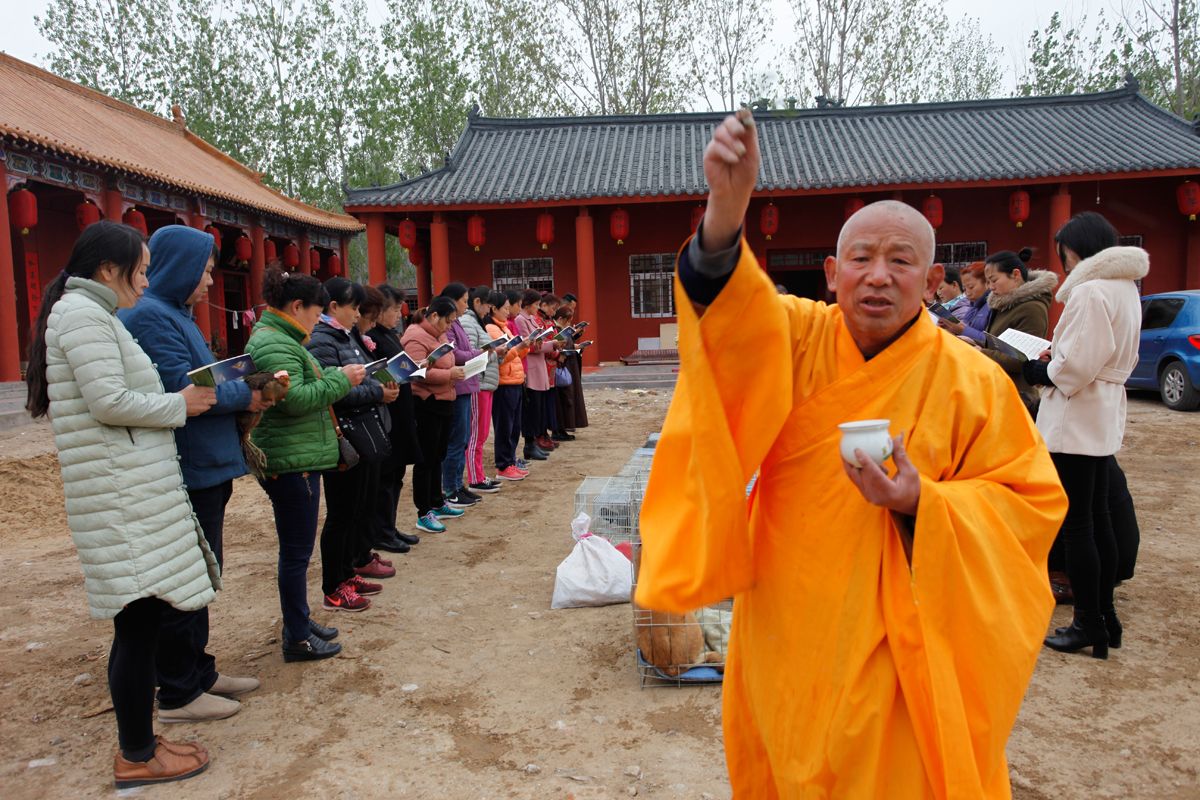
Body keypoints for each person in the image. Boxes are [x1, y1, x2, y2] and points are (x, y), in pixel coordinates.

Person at [636, 110, 1068, 798]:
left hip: (898, 640)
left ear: (932, 282)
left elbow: (1031, 507)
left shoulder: (974, 381)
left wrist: (923, 501)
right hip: (789, 624)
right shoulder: (797, 337)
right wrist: (726, 210)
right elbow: (727, 313)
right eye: (861, 259)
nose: (878, 276)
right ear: (833, 272)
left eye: (901, 261)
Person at [25, 220, 221, 788]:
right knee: (136, 626)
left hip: (125, 490)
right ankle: (135, 754)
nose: (144, 280)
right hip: (118, 497)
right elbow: (110, 401)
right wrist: (180, 403)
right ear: (107, 271)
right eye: (138, 270)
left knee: (141, 621)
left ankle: (141, 740)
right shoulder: (83, 316)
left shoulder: (89, 314)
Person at [118, 226, 265, 725]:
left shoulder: (175, 314)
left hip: (209, 463)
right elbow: (187, 393)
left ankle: (198, 670)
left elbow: (204, 380)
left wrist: (239, 379)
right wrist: (248, 394)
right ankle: (179, 690)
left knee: (203, 573)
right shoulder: (151, 318)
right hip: (190, 464)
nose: (209, 280)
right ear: (179, 266)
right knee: (185, 579)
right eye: (204, 270)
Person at [1022, 212, 1146, 659]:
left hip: (1076, 413)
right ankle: (1105, 618)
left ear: (1077, 249)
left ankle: (1089, 622)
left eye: (1065, 254)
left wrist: (1041, 368)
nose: (1065, 263)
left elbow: (1072, 370)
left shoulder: (1090, 290)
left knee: (1078, 526)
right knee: (1097, 520)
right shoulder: (1125, 286)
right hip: (1103, 408)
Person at [244, 268, 365, 661]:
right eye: (315, 312)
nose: (318, 321)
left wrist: (334, 374)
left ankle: (299, 620)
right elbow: (294, 399)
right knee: (296, 553)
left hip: (295, 454)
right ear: (297, 306)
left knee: (298, 550)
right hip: (289, 457)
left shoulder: (282, 338)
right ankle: (296, 636)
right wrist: (343, 380)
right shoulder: (275, 342)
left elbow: (301, 382)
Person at [306, 278, 399, 610]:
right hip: (345, 434)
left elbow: (365, 375)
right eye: (354, 308)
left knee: (358, 508)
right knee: (341, 514)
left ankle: (348, 571)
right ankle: (334, 586)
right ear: (334, 308)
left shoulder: (347, 336)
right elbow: (336, 390)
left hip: (364, 429)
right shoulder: (322, 341)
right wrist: (377, 392)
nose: (358, 314)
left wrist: (380, 385)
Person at [364, 285, 422, 553]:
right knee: (386, 477)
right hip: (387, 414)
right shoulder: (371, 338)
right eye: (394, 309)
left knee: (396, 475)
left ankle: (390, 526)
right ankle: (381, 532)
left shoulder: (388, 334)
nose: (398, 315)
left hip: (400, 411)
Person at [403, 297, 468, 533]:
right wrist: (449, 374)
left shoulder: (439, 334)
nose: (449, 327)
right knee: (425, 459)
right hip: (426, 401)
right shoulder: (414, 336)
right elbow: (415, 371)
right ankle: (423, 511)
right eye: (447, 321)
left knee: (438, 455)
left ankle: (437, 502)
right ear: (433, 316)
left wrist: (451, 373)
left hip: (445, 399)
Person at [974, 248, 1057, 396]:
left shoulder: (1031, 308)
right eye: (988, 282)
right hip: (996, 387)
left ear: (1015, 275)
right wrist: (972, 342)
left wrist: (981, 352)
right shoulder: (1004, 305)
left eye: (994, 280)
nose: (990, 287)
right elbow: (998, 346)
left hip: (1016, 392)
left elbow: (1021, 359)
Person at [459, 285, 509, 494]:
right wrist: (493, 351)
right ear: (477, 302)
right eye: (488, 305)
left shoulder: (477, 323)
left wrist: (498, 352)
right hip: (477, 383)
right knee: (475, 435)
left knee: (481, 434)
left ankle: (478, 475)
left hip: (486, 383)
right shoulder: (468, 323)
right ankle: (475, 478)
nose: (489, 310)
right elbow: (470, 356)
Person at [439, 282, 485, 508]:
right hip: (457, 386)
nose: (466, 305)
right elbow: (454, 354)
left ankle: (458, 485)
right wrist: (479, 353)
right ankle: (450, 488)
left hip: (466, 384)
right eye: (464, 301)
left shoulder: (455, 322)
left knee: (463, 439)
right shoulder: (447, 325)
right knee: (455, 441)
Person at [486, 290, 530, 481]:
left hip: (515, 381)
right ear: (493, 309)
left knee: (514, 426)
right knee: (505, 426)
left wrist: (526, 346)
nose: (508, 312)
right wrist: (519, 348)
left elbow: (517, 354)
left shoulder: (505, 327)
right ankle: (503, 465)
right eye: (504, 308)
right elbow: (502, 358)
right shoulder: (492, 329)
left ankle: (510, 461)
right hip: (504, 383)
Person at [516, 289, 563, 459]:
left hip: (540, 366)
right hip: (531, 368)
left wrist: (551, 343)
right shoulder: (521, 320)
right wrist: (552, 345)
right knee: (531, 409)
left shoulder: (532, 320)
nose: (537, 308)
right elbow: (527, 346)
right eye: (536, 304)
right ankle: (530, 444)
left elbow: (539, 342)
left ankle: (535, 442)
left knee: (539, 408)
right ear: (527, 305)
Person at [937, 261, 990, 343]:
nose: (968, 293)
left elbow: (993, 342)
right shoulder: (973, 307)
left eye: (971, 287)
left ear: (987, 283)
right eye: (965, 289)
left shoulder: (993, 307)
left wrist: (962, 330)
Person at [551, 306, 583, 441]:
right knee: (563, 399)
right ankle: (559, 429)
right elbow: (559, 347)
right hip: (560, 368)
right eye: (567, 321)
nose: (569, 324)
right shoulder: (555, 330)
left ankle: (564, 428)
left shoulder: (563, 330)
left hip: (568, 366)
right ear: (560, 319)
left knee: (568, 397)